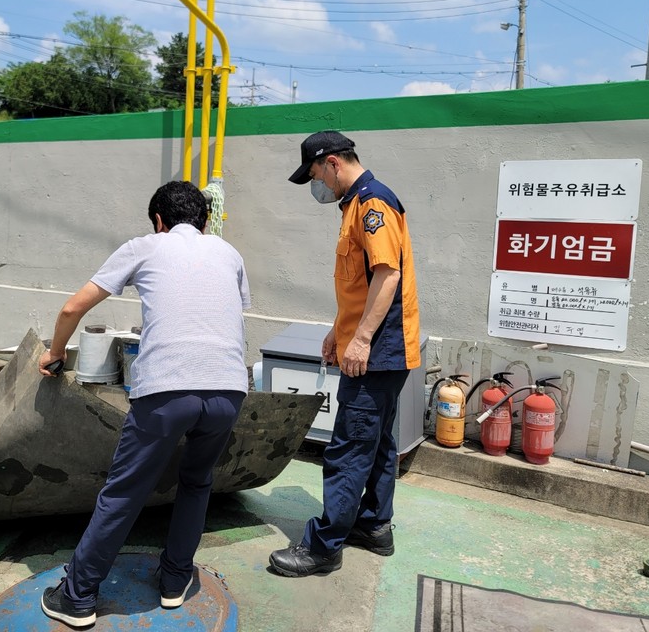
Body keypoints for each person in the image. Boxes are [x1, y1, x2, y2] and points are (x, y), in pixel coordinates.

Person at [38, 180, 251, 627]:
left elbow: (72, 309)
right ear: (206, 219)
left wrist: (55, 353)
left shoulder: (145, 246)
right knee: (196, 483)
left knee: (123, 492)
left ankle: (77, 597)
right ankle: (175, 581)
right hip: (229, 389)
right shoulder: (229, 254)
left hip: (166, 391)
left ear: (159, 221)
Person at [269, 130, 421, 577]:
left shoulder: (373, 204)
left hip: (378, 351)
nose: (317, 184)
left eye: (315, 173)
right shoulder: (356, 205)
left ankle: (324, 547)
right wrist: (339, 332)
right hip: (380, 349)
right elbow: (358, 285)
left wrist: (360, 340)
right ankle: (373, 526)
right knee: (376, 443)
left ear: (333, 162)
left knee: (349, 447)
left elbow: (387, 276)